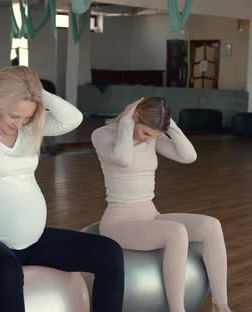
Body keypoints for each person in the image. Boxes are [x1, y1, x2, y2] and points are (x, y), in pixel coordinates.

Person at [0, 66, 124, 312]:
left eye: (27, 117)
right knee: (7, 272)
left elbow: (73, 118)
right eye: (13, 116)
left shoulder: (28, 129)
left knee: (109, 253)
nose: (19, 124)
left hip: (31, 243)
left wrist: (38, 93)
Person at [91, 97, 231, 312]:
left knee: (211, 225)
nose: (148, 140)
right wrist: (127, 124)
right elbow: (123, 159)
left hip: (150, 214)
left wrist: (169, 125)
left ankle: (221, 306)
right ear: (135, 117)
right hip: (119, 223)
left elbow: (189, 157)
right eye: (146, 133)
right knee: (176, 232)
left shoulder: (152, 139)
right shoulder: (102, 135)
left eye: (154, 136)